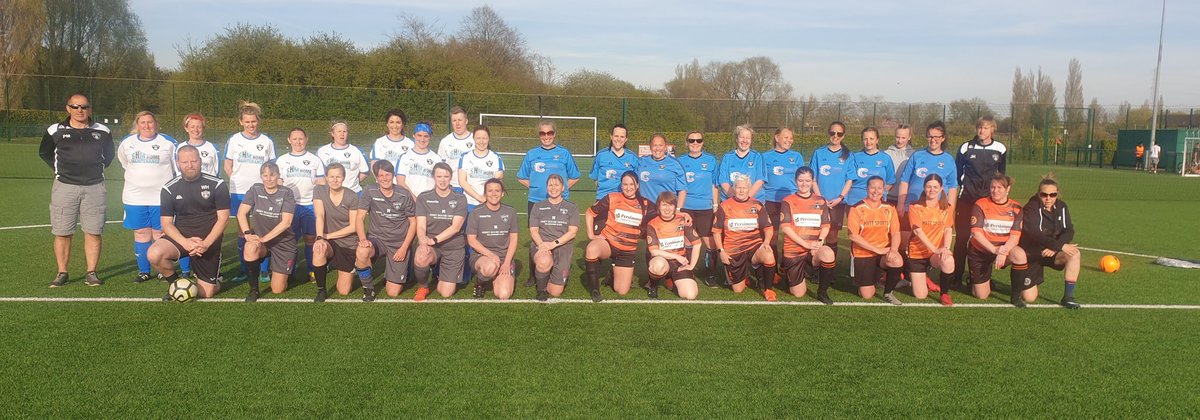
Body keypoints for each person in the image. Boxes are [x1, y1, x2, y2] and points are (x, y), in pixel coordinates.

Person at [40, 92, 115, 287]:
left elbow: (109, 155)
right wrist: (61, 169)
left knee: (93, 231)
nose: (80, 110)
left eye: (84, 106)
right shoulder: (55, 130)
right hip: (65, 187)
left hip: (95, 187)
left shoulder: (103, 131)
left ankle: (92, 272)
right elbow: (45, 153)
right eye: (75, 106)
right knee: (63, 232)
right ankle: (62, 272)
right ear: (68, 108)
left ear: (90, 108)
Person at [146, 145, 229, 298]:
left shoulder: (217, 184)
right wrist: (186, 243)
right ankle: (175, 284)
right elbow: (166, 224)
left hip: (208, 240)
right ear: (178, 163)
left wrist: (206, 243)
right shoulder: (169, 188)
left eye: (194, 161)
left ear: (200, 161)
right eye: (185, 162)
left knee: (206, 293)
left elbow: (223, 220)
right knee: (154, 253)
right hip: (182, 237)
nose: (190, 165)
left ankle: (216, 279)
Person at [117, 111, 177, 284]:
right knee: (141, 232)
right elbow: (124, 163)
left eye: (150, 122)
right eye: (142, 122)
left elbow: (176, 168)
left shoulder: (169, 142)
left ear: (156, 123)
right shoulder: (127, 143)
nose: (146, 125)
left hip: (161, 197)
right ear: (137, 125)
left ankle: (161, 269)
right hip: (134, 197)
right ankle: (144, 271)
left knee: (160, 232)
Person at [224, 101, 276, 283]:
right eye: (247, 122)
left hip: (262, 191)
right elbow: (227, 164)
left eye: (253, 121)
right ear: (241, 122)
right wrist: (237, 179)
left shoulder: (266, 142)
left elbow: (272, 167)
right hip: (239, 191)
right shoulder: (234, 140)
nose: (251, 125)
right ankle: (244, 269)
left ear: (258, 121)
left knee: (263, 229)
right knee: (242, 231)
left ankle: (264, 270)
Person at [953, 115, 1006, 285]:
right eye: (979, 127)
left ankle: (980, 277)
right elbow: (957, 174)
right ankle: (956, 277)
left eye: (986, 128)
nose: (981, 131)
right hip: (966, 200)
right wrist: (967, 187)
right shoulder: (966, 148)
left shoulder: (1000, 148)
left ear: (992, 129)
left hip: (988, 203)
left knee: (984, 239)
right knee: (962, 238)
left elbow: (1001, 176)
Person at [584, 171, 651, 302]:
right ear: (621, 185)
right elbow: (590, 213)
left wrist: (683, 214)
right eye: (625, 184)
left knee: (622, 291)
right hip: (608, 243)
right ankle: (595, 290)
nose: (628, 187)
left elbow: (664, 213)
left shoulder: (645, 204)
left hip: (627, 251)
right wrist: (591, 234)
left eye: (631, 184)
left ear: (637, 185)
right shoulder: (612, 198)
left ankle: (612, 275)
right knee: (592, 249)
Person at [354, 161, 416, 302]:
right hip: (377, 239)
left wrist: (404, 248)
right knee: (362, 251)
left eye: (387, 174)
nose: (384, 178)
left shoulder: (404, 194)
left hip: (398, 242)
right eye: (380, 175)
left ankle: (397, 272)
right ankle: (368, 289)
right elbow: (360, 217)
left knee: (393, 292)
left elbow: (413, 222)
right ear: (376, 177)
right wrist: (363, 239)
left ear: (393, 175)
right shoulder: (370, 190)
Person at [237, 162, 297, 302]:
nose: (268, 179)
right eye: (265, 175)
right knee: (250, 247)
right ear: (261, 176)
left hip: (283, 243)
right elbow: (241, 213)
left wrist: (264, 238)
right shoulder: (255, 189)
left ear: (278, 176)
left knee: (277, 289)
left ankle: (287, 271)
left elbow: (286, 222)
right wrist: (247, 234)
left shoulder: (287, 193)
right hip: (262, 242)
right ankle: (254, 290)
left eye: (272, 175)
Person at [967, 174, 1029, 307]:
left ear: (1008, 189)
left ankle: (1016, 297)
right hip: (981, 251)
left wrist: (1003, 251)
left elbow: (1015, 237)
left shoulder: (1016, 207)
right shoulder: (980, 204)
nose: (995, 191)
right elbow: (976, 233)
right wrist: (995, 250)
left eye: (999, 187)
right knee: (981, 295)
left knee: (1020, 255)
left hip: (1003, 250)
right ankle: (975, 281)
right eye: (992, 187)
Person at [1020, 176, 1082, 309]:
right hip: (1032, 254)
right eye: (1044, 195)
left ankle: (1068, 297)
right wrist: (1058, 245)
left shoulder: (1061, 207)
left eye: (1052, 194)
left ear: (1057, 194)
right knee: (1029, 298)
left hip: (1051, 252)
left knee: (1074, 254)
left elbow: (1069, 230)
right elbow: (1034, 234)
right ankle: (1018, 283)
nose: (1048, 198)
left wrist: (1055, 248)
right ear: (1039, 194)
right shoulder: (1030, 208)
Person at [713, 176, 776, 301]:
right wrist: (721, 251)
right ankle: (744, 275)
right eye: (738, 187)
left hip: (754, 245)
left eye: (744, 187)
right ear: (734, 188)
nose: (741, 190)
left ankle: (768, 290)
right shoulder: (724, 206)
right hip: (734, 250)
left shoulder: (757, 204)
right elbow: (716, 231)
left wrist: (766, 242)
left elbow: (768, 227)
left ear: (749, 189)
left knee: (768, 254)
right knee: (738, 290)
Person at [779, 167, 836, 304]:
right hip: (794, 250)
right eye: (800, 180)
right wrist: (806, 244)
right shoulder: (788, 201)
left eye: (807, 180)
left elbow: (826, 225)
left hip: (813, 249)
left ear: (812, 181)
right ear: (795, 181)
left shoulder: (820, 201)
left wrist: (820, 242)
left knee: (828, 254)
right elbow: (786, 228)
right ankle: (787, 271)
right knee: (799, 294)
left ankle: (822, 292)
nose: (804, 184)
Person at [412, 163, 470, 300]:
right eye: (439, 176)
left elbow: (455, 227)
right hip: (432, 246)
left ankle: (440, 272)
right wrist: (423, 240)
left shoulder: (460, 198)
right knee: (421, 256)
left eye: (446, 176)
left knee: (445, 293)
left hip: (453, 248)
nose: (442, 180)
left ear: (450, 177)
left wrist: (434, 240)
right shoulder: (424, 197)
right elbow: (421, 225)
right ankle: (423, 286)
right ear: (433, 177)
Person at [275, 128, 326, 282]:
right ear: (289, 140)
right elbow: (278, 182)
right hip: (290, 206)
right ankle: (290, 268)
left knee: (310, 238)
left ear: (306, 139)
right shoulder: (282, 160)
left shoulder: (315, 160)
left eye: (301, 138)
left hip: (309, 205)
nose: (298, 142)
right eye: (295, 139)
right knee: (290, 239)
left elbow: (321, 181)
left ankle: (312, 269)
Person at [175, 112, 220, 279]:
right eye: (192, 126)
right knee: (184, 229)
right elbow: (176, 171)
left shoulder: (211, 148)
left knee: (208, 231)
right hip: (184, 195)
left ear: (203, 128)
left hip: (206, 196)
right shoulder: (179, 147)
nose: (196, 129)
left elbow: (216, 172)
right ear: (186, 128)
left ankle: (208, 266)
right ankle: (186, 269)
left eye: (199, 126)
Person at [846, 176, 904, 304]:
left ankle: (888, 293)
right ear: (867, 188)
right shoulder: (856, 208)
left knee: (896, 260)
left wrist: (894, 250)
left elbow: (895, 232)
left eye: (879, 188)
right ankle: (869, 279)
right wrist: (876, 249)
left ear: (884, 189)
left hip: (882, 252)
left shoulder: (890, 208)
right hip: (863, 253)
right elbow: (853, 236)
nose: (876, 191)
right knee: (867, 295)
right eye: (873, 187)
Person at [678, 130, 722, 287]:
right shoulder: (680, 161)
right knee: (688, 240)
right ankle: (689, 271)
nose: (695, 143)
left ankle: (710, 275)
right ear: (686, 143)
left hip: (705, 208)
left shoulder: (711, 160)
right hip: (687, 208)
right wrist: (679, 208)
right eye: (691, 140)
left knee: (710, 242)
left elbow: (714, 185)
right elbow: (678, 186)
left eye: (698, 140)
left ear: (702, 142)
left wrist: (715, 206)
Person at [312, 163, 361, 302]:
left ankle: (354, 267)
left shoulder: (352, 196)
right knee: (319, 248)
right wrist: (320, 238)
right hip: (328, 241)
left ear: (343, 178)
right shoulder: (319, 190)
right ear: (326, 177)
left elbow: (354, 227)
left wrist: (328, 235)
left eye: (338, 177)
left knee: (343, 291)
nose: (334, 180)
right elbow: (319, 215)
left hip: (347, 243)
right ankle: (321, 290)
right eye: (331, 177)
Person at [762, 127, 805, 284]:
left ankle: (788, 268)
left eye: (791, 138)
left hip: (791, 202)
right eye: (786, 137)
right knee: (772, 237)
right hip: (770, 201)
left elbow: (803, 179)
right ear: (777, 138)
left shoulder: (796, 156)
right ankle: (772, 270)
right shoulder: (765, 157)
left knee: (792, 237)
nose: (789, 140)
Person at [905, 174, 956, 306]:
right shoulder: (915, 206)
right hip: (917, 253)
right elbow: (917, 231)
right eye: (928, 187)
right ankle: (919, 277)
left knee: (948, 260)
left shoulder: (947, 207)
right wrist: (934, 248)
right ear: (924, 187)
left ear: (941, 188)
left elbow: (948, 229)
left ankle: (944, 294)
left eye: (935, 187)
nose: (931, 190)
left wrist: (946, 248)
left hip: (934, 254)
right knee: (921, 295)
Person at [529, 174, 580, 301]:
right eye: (550, 185)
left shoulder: (572, 207)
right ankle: (541, 289)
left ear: (563, 188)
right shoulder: (538, 206)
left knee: (555, 292)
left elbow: (572, 232)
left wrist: (553, 244)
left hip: (562, 246)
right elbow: (534, 230)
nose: (553, 188)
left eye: (556, 185)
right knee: (544, 261)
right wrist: (542, 245)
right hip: (542, 244)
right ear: (546, 187)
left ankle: (550, 273)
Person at [465, 179, 519, 299]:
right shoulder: (476, 212)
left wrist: (507, 263)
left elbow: (514, 239)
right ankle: (480, 282)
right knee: (490, 267)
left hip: (504, 258)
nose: (494, 194)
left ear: (502, 193)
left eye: (497, 191)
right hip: (482, 256)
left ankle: (496, 276)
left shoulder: (510, 212)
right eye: (490, 191)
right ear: (485, 193)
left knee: (503, 294)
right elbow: (471, 240)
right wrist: (491, 255)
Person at [646, 192, 703, 300]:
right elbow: (654, 252)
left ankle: (671, 279)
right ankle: (653, 285)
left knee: (690, 295)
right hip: (662, 259)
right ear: (658, 206)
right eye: (664, 205)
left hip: (679, 264)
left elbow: (697, 243)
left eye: (670, 205)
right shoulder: (652, 224)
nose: (667, 208)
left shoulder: (682, 220)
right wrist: (677, 256)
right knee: (657, 266)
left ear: (675, 207)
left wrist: (691, 265)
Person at [517, 120, 581, 212]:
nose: (546, 136)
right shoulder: (531, 154)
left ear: (554, 134)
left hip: (559, 200)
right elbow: (521, 177)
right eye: (542, 133)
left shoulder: (564, 153)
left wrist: (560, 189)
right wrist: (536, 187)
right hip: (536, 200)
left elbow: (575, 177)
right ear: (539, 135)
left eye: (549, 133)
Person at [810, 121, 852, 255]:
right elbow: (812, 178)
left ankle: (830, 265)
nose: (835, 136)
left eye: (839, 133)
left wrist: (840, 198)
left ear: (843, 135)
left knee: (832, 236)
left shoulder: (848, 155)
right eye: (832, 132)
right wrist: (820, 198)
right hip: (819, 201)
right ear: (828, 133)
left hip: (837, 202)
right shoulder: (819, 153)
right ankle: (815, 264)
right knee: (816, 234)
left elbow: (849, 180)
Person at [838, 127, 896, 207]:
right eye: (865, 139)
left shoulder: (885, 158)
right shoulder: (854, 157)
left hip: (876, 201)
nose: (868, 142)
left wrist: (878, 193)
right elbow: (848, 179)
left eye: (871, 139)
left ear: (877, 140)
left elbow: (890, 181)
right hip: (855, 200)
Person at [636, 133, 688, 212]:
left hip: (666, 210)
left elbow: (682, 190)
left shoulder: (674, 164)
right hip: (645, 209)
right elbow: (634, 183)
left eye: (660, 145)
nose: (657, 148)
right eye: (654, 145)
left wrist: (678, 210)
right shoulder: (641, 161)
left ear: (665, 147)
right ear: (650, 147)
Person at [457, 125, 505, 209]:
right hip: (469, 203)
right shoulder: (465, 157)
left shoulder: (495, 157)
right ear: (473, 139)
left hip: (490, 204)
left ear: (489, 139)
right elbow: (462, 181)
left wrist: (488, 197)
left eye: (484, 138)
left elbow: (499, 179)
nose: (481, 141)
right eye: (478, 138)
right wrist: (479, 198)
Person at [316, 121, 369, 194]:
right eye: (339, 131)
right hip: (330, 193)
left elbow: (365, 172)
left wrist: (353, 183)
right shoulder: (322, 151)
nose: (342, 134)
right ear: (332, 133)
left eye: (344, 131)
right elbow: (318, 174)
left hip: (353, 193)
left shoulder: (356, 150)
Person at [589, 123, 638, 201]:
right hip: (604, 199)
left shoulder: (633, 158)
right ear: (611, 136)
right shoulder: (601, 155)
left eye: (622, 137)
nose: (619, 139)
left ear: (626, 139)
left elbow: (637, 181)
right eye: (616, 136)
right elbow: (595, 179)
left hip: (625, 201)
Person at [717, 125, 766, 202]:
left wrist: (745, 199)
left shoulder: (757, 156)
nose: (744, 140)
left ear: (751, 140)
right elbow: (723, 181)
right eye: (742, 137)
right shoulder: (727, 157)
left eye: (748, 138)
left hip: (753, 202)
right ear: (736, 139)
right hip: (730, 201)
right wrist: (737, 199)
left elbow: (760, 180)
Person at [394, 121, 443, 197]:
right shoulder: (404, 157)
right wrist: (414, 199)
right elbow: (400, 182)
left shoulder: (436, 159)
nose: (422, 139)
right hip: (408, 200)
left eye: (426, 136)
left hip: (429, 201)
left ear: (430, 137)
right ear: (414, 135)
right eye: (419, 135)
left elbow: (439, 183)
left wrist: (426, 200)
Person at [437, 106, 474, 193]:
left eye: (460, 120)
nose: (457, 123)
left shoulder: (475, 140)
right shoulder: (445, 141)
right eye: (454, 120)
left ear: (466, 121)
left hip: (472, 187)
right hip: (452, 187)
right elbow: (441, 168)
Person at [884, 125, 915, 205]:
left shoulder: (914, 155)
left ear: (909, 137)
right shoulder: (886, 154)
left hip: (906, 200)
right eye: (898, 137)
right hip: (887, 198)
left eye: (903, 138)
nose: (900, 141)